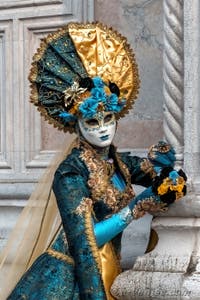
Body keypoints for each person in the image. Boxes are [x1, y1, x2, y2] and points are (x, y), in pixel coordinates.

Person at [0, 22, 187, 300]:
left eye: (108, 119)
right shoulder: (70, 173)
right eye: (92, 121)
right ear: (76, 124)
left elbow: (153, 175)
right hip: (70, 280)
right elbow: (83, 242)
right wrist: (134, 208)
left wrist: (167, 169)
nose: (102, 128)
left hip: (108, 267)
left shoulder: (118, 163)